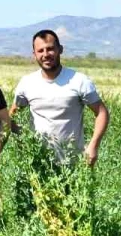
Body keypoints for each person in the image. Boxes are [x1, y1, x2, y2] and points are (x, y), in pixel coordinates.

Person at [10, 29, 110, 166]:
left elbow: (101, 113)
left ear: (60, 49)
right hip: (38, 164)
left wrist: (93, 146)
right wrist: (24, 142)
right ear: (34, 55)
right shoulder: (27, 83)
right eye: (40, 51)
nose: (46, 54)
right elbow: (12, 116)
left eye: (50, 49)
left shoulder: (79, 81)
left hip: (74, 164)